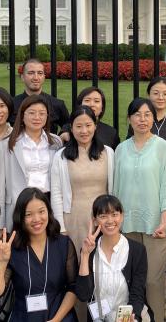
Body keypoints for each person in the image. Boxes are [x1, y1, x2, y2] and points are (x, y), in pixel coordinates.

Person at [113, 98, 166, 322]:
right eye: (137, 115)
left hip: (156, 226)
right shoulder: (121, 149)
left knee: (152, 281)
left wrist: (165, 218)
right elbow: (115, 188)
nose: (142, 119)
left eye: (147, 114)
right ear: (129, 119)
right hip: (127, 226)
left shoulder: (164, 147)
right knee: (128, 279)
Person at [0, 187, 78, 322]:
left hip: (60, 316)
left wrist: (56, 320)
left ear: (49, 211)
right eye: (28, 214)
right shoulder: (11, 248)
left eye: (41, 211)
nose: (37, 219)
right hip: (24, 317)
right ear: (20, 217)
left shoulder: (63, 244)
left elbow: (73, 287)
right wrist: (2, 262)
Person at [0, 95, 64, 234]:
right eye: (31, 113)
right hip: (19, 205)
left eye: (42, 113)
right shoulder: (6, 145)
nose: (37, 117)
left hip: (47, 203)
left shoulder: (55, 143)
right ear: (22, 115)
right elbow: (0, 187)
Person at [76, 195, 152, 322]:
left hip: (128, 318)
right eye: (103, 216)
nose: (110, 220)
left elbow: (137, 293)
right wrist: (84, 255)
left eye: (114, 214)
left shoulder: (137, 250)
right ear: (95, 221)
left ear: (122, 216)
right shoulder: (89, 251)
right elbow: (83, 295)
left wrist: (131, 318)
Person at [51, 106, 115, 252]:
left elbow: (113, 189)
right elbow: (56, 193)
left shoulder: (108, 153)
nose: (84, 131)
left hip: (104, 218)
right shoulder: (61, 157)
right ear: (71, 129)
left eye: (88, 125)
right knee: (76, 263)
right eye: (78, 126)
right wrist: (61, 226)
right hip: (74, 219)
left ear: (95, 126)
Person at [9, 58, 70, 132]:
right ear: (22, 77)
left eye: (40, 73)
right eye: (31, 73)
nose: (36, 77)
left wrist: (64, 133)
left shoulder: (57, 104)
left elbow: (68, 124)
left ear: (44, 77)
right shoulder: (11, 104)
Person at [127, 77, 166, 151]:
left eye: (165, 94)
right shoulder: (139, 122)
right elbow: (129, 148)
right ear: (148, 95)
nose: (161, 97)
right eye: (156, 93)